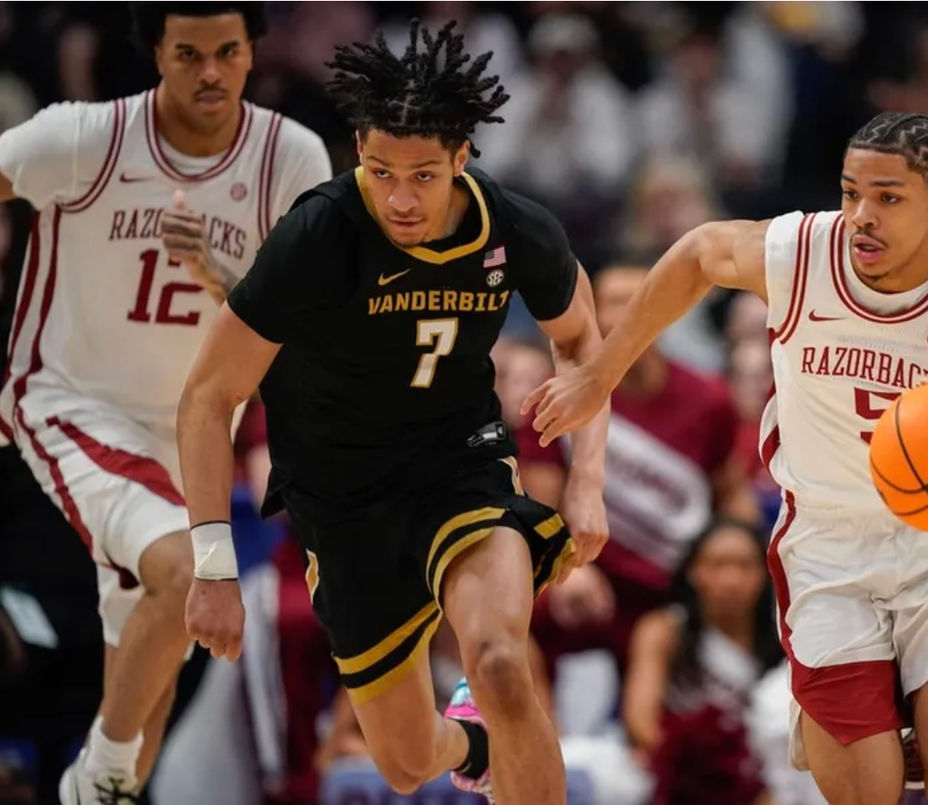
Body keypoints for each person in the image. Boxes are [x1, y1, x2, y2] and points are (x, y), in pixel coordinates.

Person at [524, 111, 928, 805]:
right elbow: (697, 253)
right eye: (849, 193)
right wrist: (599, 373)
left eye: (888, 197)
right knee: (867, 792)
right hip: (829, 548)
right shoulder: (803, 252)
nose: (862, 216)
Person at [176, 22, 609, 805]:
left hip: (459, 463)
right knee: (408, 761)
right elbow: (208, 399)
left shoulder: (513, 227)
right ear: (358, 153)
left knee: (504, 665)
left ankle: (499, 724)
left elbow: (583, 343)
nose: (399, 198)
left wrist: (587, 483)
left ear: (461, 161)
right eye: (379, 171)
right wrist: (211, 567)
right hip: (340, 497)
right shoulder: (319, 233)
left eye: (421, 175)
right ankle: (472, 741)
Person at [0, 3, 331, 801]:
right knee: (187, 576)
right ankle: (99, 772)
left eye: (226, 51)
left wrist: (231, 277)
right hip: (71, 403)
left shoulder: (292, 158)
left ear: (254, 52)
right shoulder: (83, 137)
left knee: (149, 678)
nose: (209, 71)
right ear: (156, 53)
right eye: (188, 53)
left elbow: (320, 317)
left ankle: (104, 780)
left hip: (191, 435)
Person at [529, 262, 759, 683]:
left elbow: (731, 496)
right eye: (616, 302)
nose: (629, 313)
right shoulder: (556, 395)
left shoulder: (709, 399)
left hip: (679, 587)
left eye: (643, 299)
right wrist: (571, 569)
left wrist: (749, 563)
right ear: (593, 313)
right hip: (590, 581)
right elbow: (535, 510)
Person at [624, 518, 783, 805]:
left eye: (745, 566)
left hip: (765, 777)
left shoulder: (785, 637)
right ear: (694, 571)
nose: (732, 579)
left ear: (764, 574)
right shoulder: (663, 630)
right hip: (681, 772)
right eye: (718, 565)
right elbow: (641, 723)